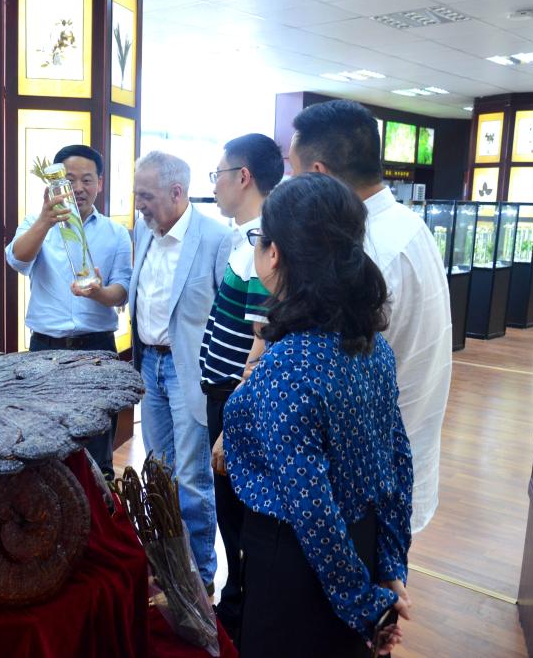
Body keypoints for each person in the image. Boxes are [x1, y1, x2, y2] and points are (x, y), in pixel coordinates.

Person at [224, 173, 412, 657]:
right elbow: (397, 461)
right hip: (360, 548)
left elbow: (311, 507)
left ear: (275, 254)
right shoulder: (373, 348)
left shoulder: (288, 365)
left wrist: (364, 605)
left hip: (299, 563)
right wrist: (389, 566)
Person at [290, 99, 452, 537]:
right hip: (401, 460)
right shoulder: (409, 225)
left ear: (319, 174)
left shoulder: (364, 252)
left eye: (293, 173)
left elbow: (334, 381)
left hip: (368, 482)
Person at [128, 151, 231, 587]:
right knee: (159, 472)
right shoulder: (144, 230)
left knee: (191, 478)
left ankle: (200, 577)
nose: (139, 205)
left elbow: (229, 316)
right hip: (148, 364)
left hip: (189, 371)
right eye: (137, 195)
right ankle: (168, 565)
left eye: (146, 196)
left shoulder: (217, 238)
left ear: (176, 192)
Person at [197, 133, 283, 637]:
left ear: (243, 177)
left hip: (236, 400)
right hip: (225, 395)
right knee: (231, 515)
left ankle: (240, 616)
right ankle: (237, 608)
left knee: (238, 516)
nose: (215, 185)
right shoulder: (246, 236)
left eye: (219, 175)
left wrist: (232, 427)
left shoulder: (262, 241)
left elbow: (260, 347)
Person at [6, 144, 132, 478]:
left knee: (97, 446)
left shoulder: (116, 233)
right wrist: (45, 221)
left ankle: (100, 506)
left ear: (100, 183)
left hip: (97, 349)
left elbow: (122, 290)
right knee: (46, 444)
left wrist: (100, 293)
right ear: (54, 184)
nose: (78, 188)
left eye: (87, 180)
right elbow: (17, 259)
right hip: (46, 349)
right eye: (70, 180)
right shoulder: (35, 223)